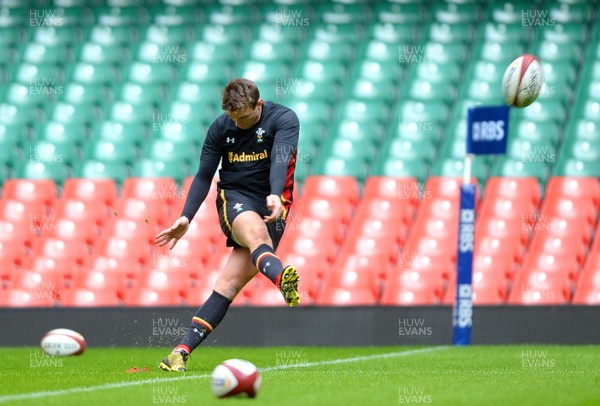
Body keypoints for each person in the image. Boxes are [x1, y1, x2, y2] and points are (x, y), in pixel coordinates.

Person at [155, 78, 300, 372]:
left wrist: (274, 194)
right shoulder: (221, 128)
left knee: (228, 284)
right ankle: (282, 277)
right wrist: (186, 217)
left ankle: (178, 352)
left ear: (258, 104)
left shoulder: (284, 119)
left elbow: (280, 159)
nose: (237, 122)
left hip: (273, 202)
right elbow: (203, 175)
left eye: (243, 116)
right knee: (256, 232)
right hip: (235, 198)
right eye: (233, 116)